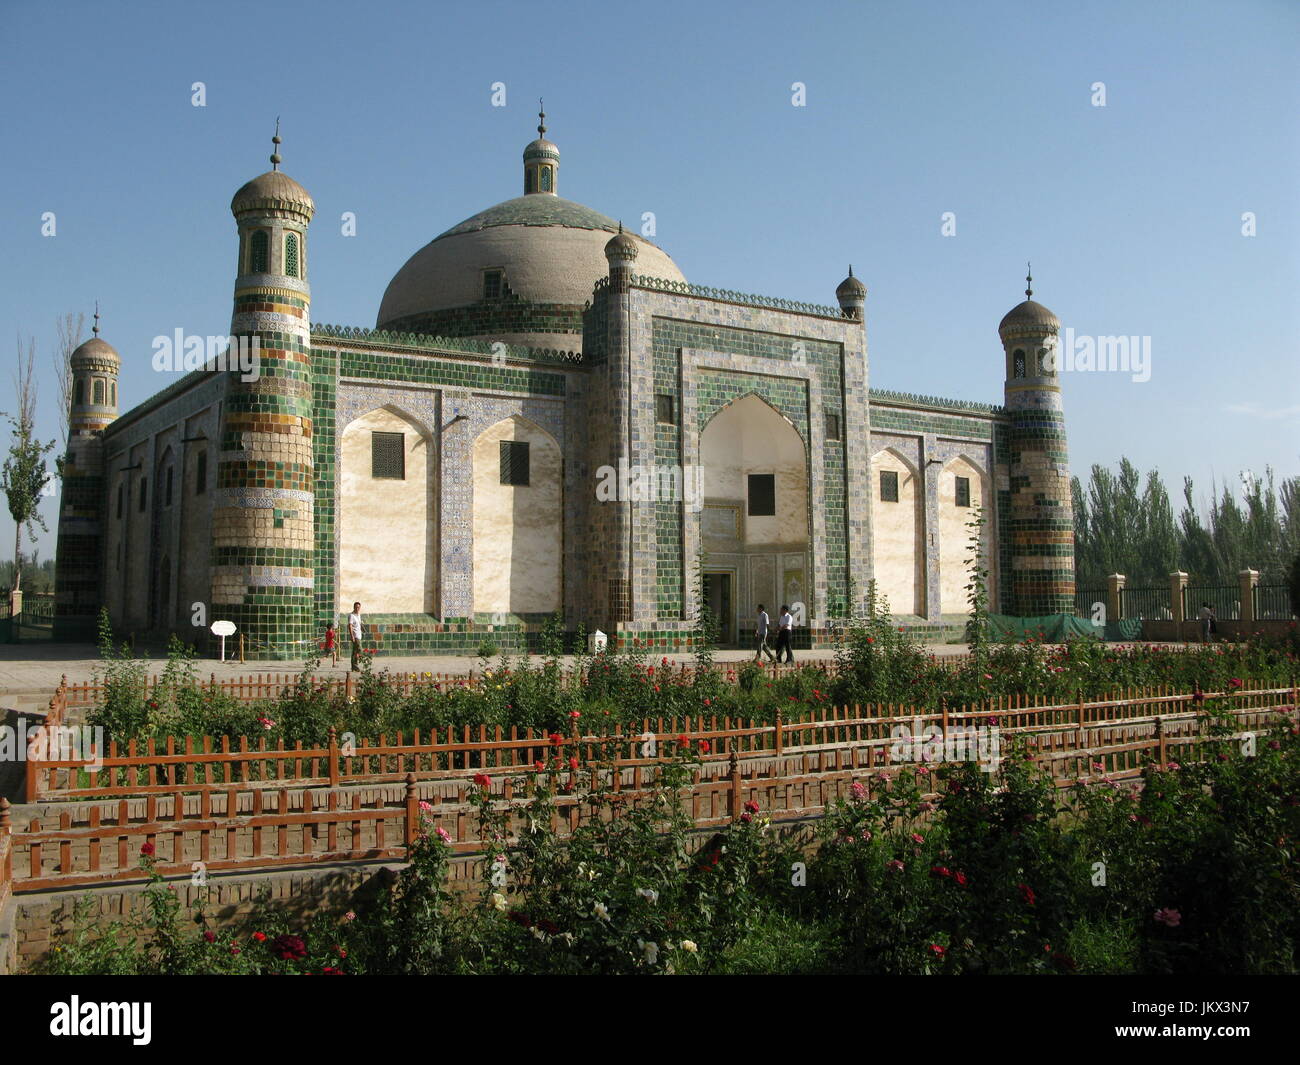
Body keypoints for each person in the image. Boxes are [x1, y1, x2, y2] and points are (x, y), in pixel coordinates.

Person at [348, 602, 365, 671]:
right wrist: (352, 636)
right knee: (359, 650)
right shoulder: (351, 616)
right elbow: (350, 625)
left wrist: (362, 628)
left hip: (359, 635)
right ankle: (355, 665)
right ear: (354, 607)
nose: (357, 608)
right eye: (356, 607)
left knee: (355, 651)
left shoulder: (358, 615)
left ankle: (353, 666)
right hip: (355, 636)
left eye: (358, 607)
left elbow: (360, 623)